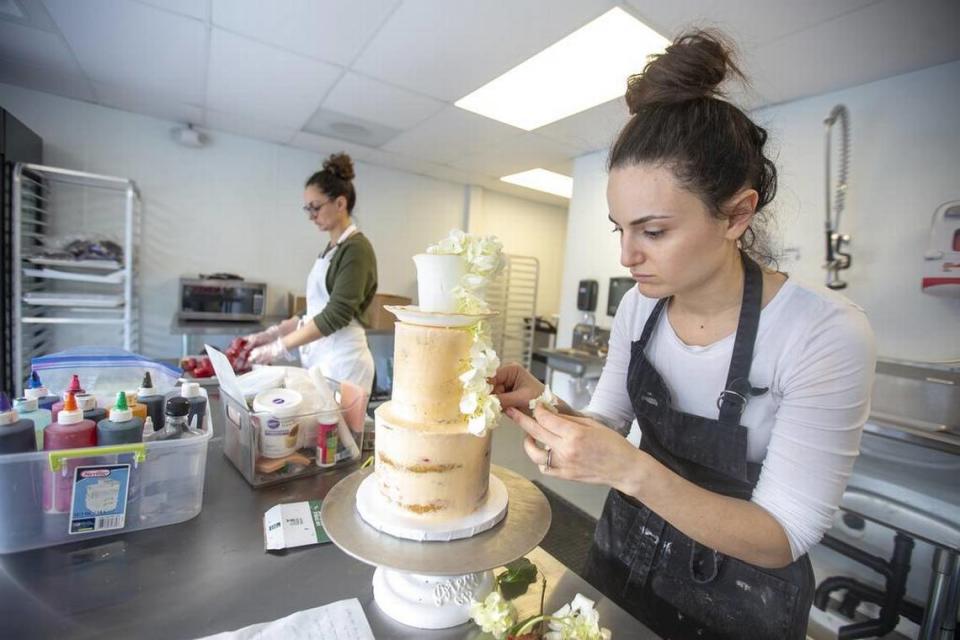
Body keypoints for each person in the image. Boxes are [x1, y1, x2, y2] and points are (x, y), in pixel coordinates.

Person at [492, 31, 875, 640]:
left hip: (739, 598)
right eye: (620, 228)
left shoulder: (821, 333)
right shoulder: (640, 312)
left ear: (737, 215)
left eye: (653, 231)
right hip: (621, 554)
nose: (627, 255)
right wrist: (544, 407)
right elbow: (609, 423)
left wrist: (633, 472)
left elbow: (782, 536)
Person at [245, 153, 378, 394]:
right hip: (324, 359)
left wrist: (279, 347)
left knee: (339, 431)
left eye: (315, 207)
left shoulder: (356, 249)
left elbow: (336, 314)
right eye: (308, 208)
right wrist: (274, 333)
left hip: (344, 363)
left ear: (340, 203)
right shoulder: (332, 249)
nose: (311, 215)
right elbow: (316, 308)